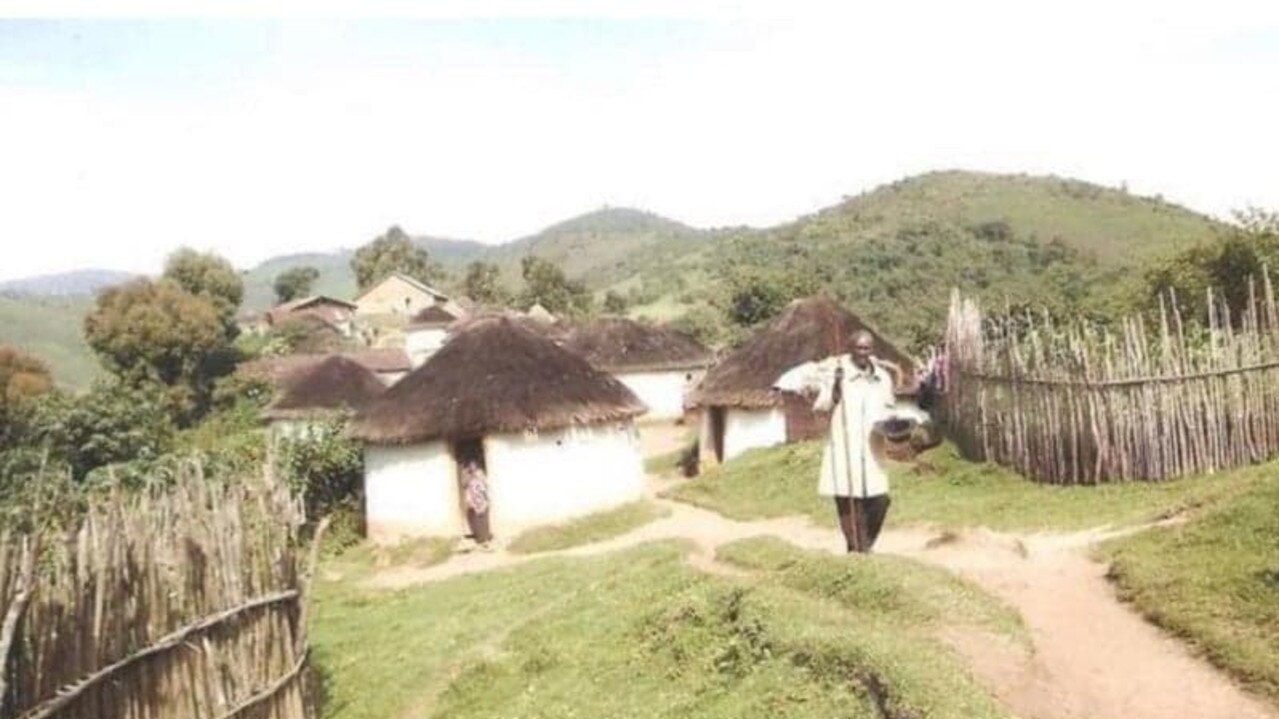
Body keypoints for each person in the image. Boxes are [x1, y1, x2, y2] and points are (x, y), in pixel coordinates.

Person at [774, 329, 897, 553]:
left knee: (880, 501)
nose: (863, 352)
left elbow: (889, 410)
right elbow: (822, 409)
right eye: (859, 348)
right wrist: (836, 389)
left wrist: (892, 426)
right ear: (851, 348)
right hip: (845, 448)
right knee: (850, 503)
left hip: (872, 449)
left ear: (872, 350)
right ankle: (858, 550)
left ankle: (864, 546)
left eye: (867, 348)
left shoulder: (882, 378)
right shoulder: (836, 373)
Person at [461, 459, 492, 549]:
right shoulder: (467, 474)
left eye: (474, 465)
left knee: (483, 519)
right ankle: (480, 538)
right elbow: (464, 484)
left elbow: (485, 483)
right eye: (470, 465)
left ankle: (485, 538)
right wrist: (470, 476)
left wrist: (486, 496)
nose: (472, 467)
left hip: (481, 498)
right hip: (472, 500)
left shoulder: (480, 473)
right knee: (475, 520)